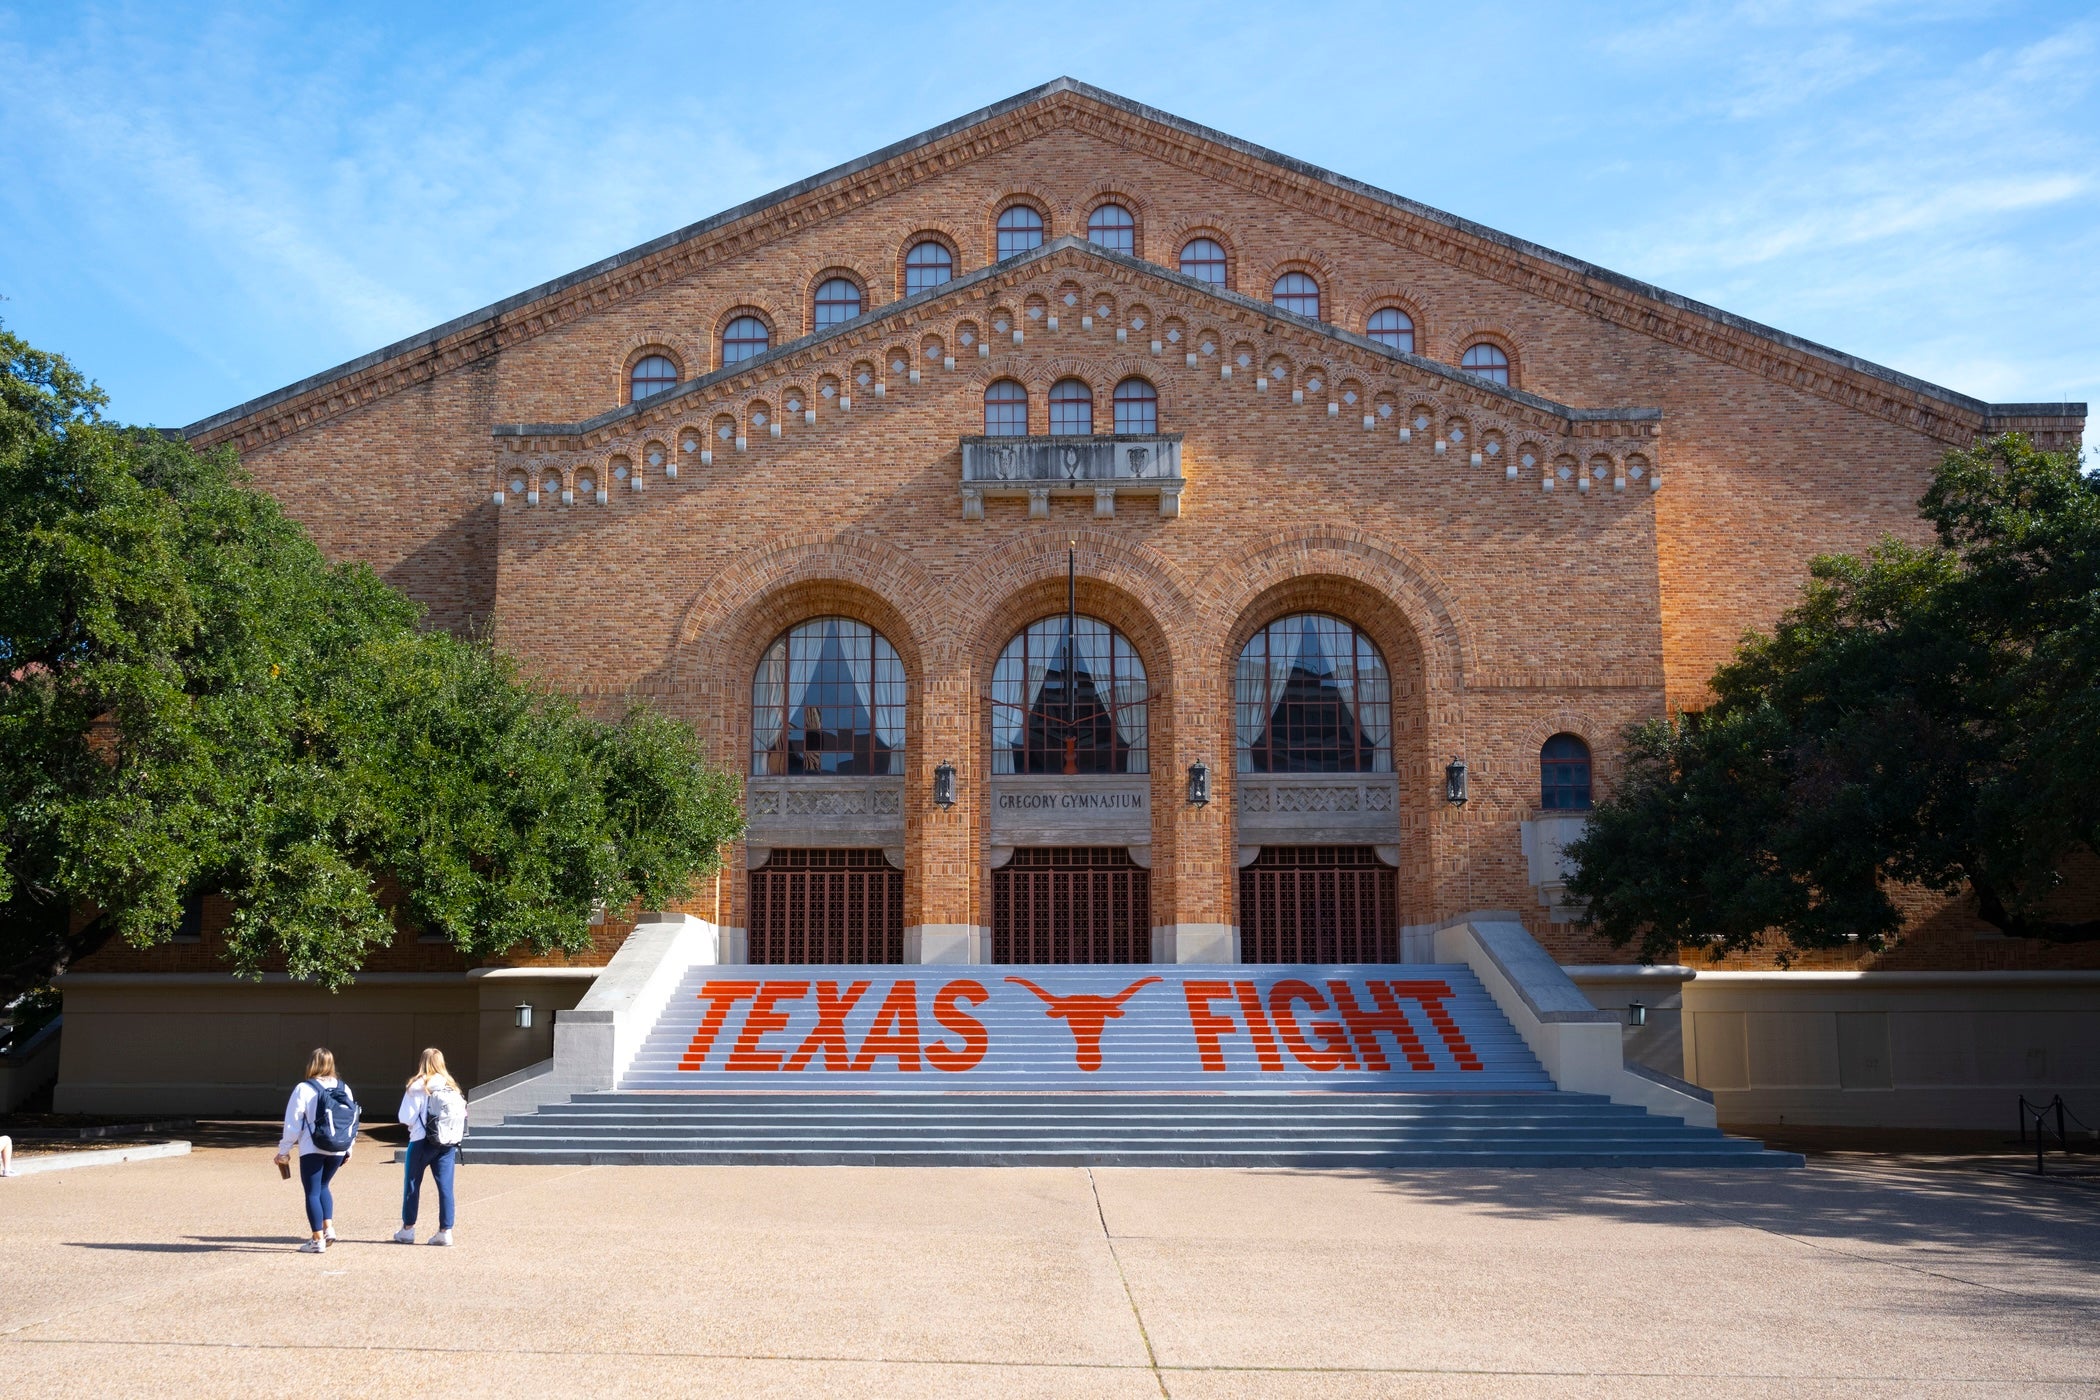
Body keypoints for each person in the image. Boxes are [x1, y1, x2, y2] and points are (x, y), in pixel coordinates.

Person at [275, 1048, 357, 1253]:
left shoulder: (304, 1088)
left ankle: (317, 1239)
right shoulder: (344, 1088)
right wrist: (349, 1148)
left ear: (311, 1064)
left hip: (313, 1146)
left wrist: (284, 1150)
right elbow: (351, 1120)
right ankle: (328, 1228)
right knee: (323, 1186)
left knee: (312, 1192)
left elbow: (293, 1122)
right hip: (338, 1147)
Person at [394, 1047, 467, 1246]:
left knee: (412, 1184)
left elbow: (405, 1117)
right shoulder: (451, 1086)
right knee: (445, 1187)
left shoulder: (418, 1085)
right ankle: (445, 1230)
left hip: (421, 1141)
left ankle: (408, 1229)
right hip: (447, 1141)